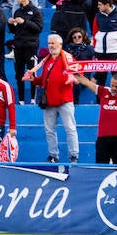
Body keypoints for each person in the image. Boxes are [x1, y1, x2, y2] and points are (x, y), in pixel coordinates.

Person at [33, 33, 78, 163]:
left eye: (53, 43)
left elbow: (77, 76)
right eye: (49, 43)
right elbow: (44, 79)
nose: (51, 46)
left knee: (70, 128)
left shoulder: (68, 58)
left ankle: (74, 155)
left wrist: (72, 78)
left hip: (65, 100)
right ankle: (53, 155)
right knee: (49, 130)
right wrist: (34, 80)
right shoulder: (47, 60)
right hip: (50, 101)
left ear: (60, 44)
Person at [8, 0, 44, 101]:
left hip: (31, 46)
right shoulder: (17, 11)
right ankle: (21, 100)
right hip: (18, 46)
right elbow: (14, 30)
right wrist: (11, 24)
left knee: (31, 72)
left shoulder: (35, 11)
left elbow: (39, 28)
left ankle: (33, 99)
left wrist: (25, 22)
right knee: (19, 74)